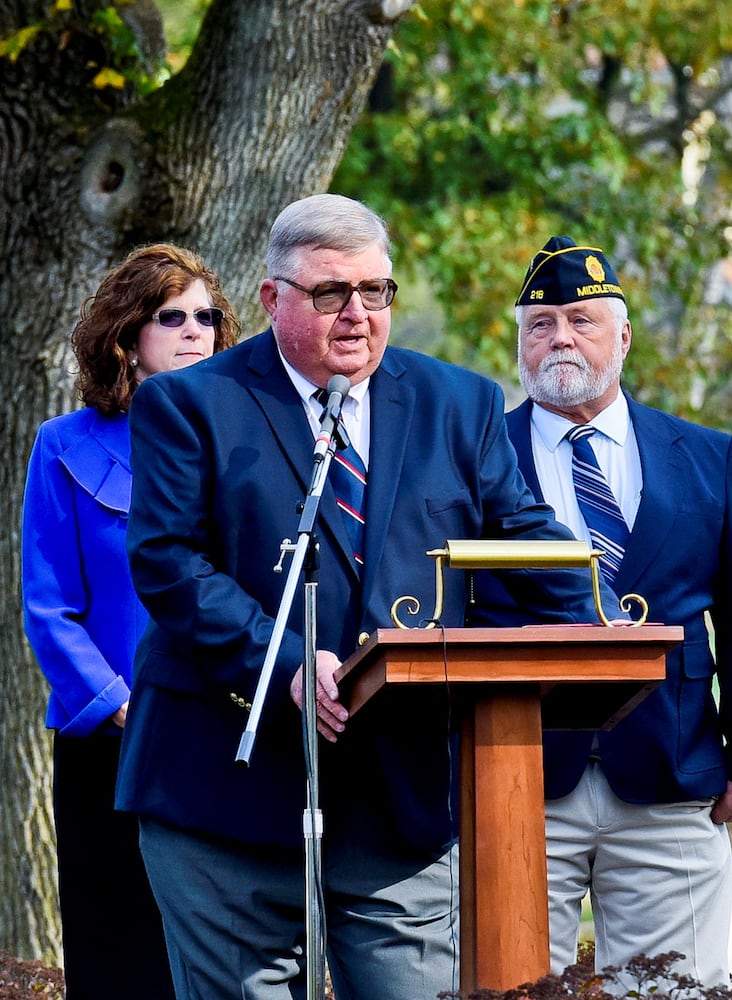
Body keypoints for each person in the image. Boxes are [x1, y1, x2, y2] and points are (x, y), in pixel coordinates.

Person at [115, 195, 606, 1000]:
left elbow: (518, 535)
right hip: (223, 789)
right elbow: (168, 561)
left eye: (375, 292)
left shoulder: (459, 403)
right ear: (275, 299)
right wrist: (280, 661)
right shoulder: (189, 405)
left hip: (396, 798)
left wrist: (601, 622)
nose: (357, 315)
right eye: (330, 294)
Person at [478, 236, 732, 985]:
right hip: (513, 772)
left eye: (581, 321)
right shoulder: (476, 453)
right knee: (508, 986)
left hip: (670, 776)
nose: (559, 338)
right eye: (539, 325)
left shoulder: (705, 454)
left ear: (623, 336)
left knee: (670, 988)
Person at [22, 243, 240, 1000]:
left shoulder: (251, 443)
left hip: (228, 733)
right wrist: (117, 705)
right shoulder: (62, 446)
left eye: (205, 317)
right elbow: (49, 606)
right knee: (120, 959)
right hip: (110, 742)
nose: (193, 331)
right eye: (170, 316)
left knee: (224, 958)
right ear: (126, 336)